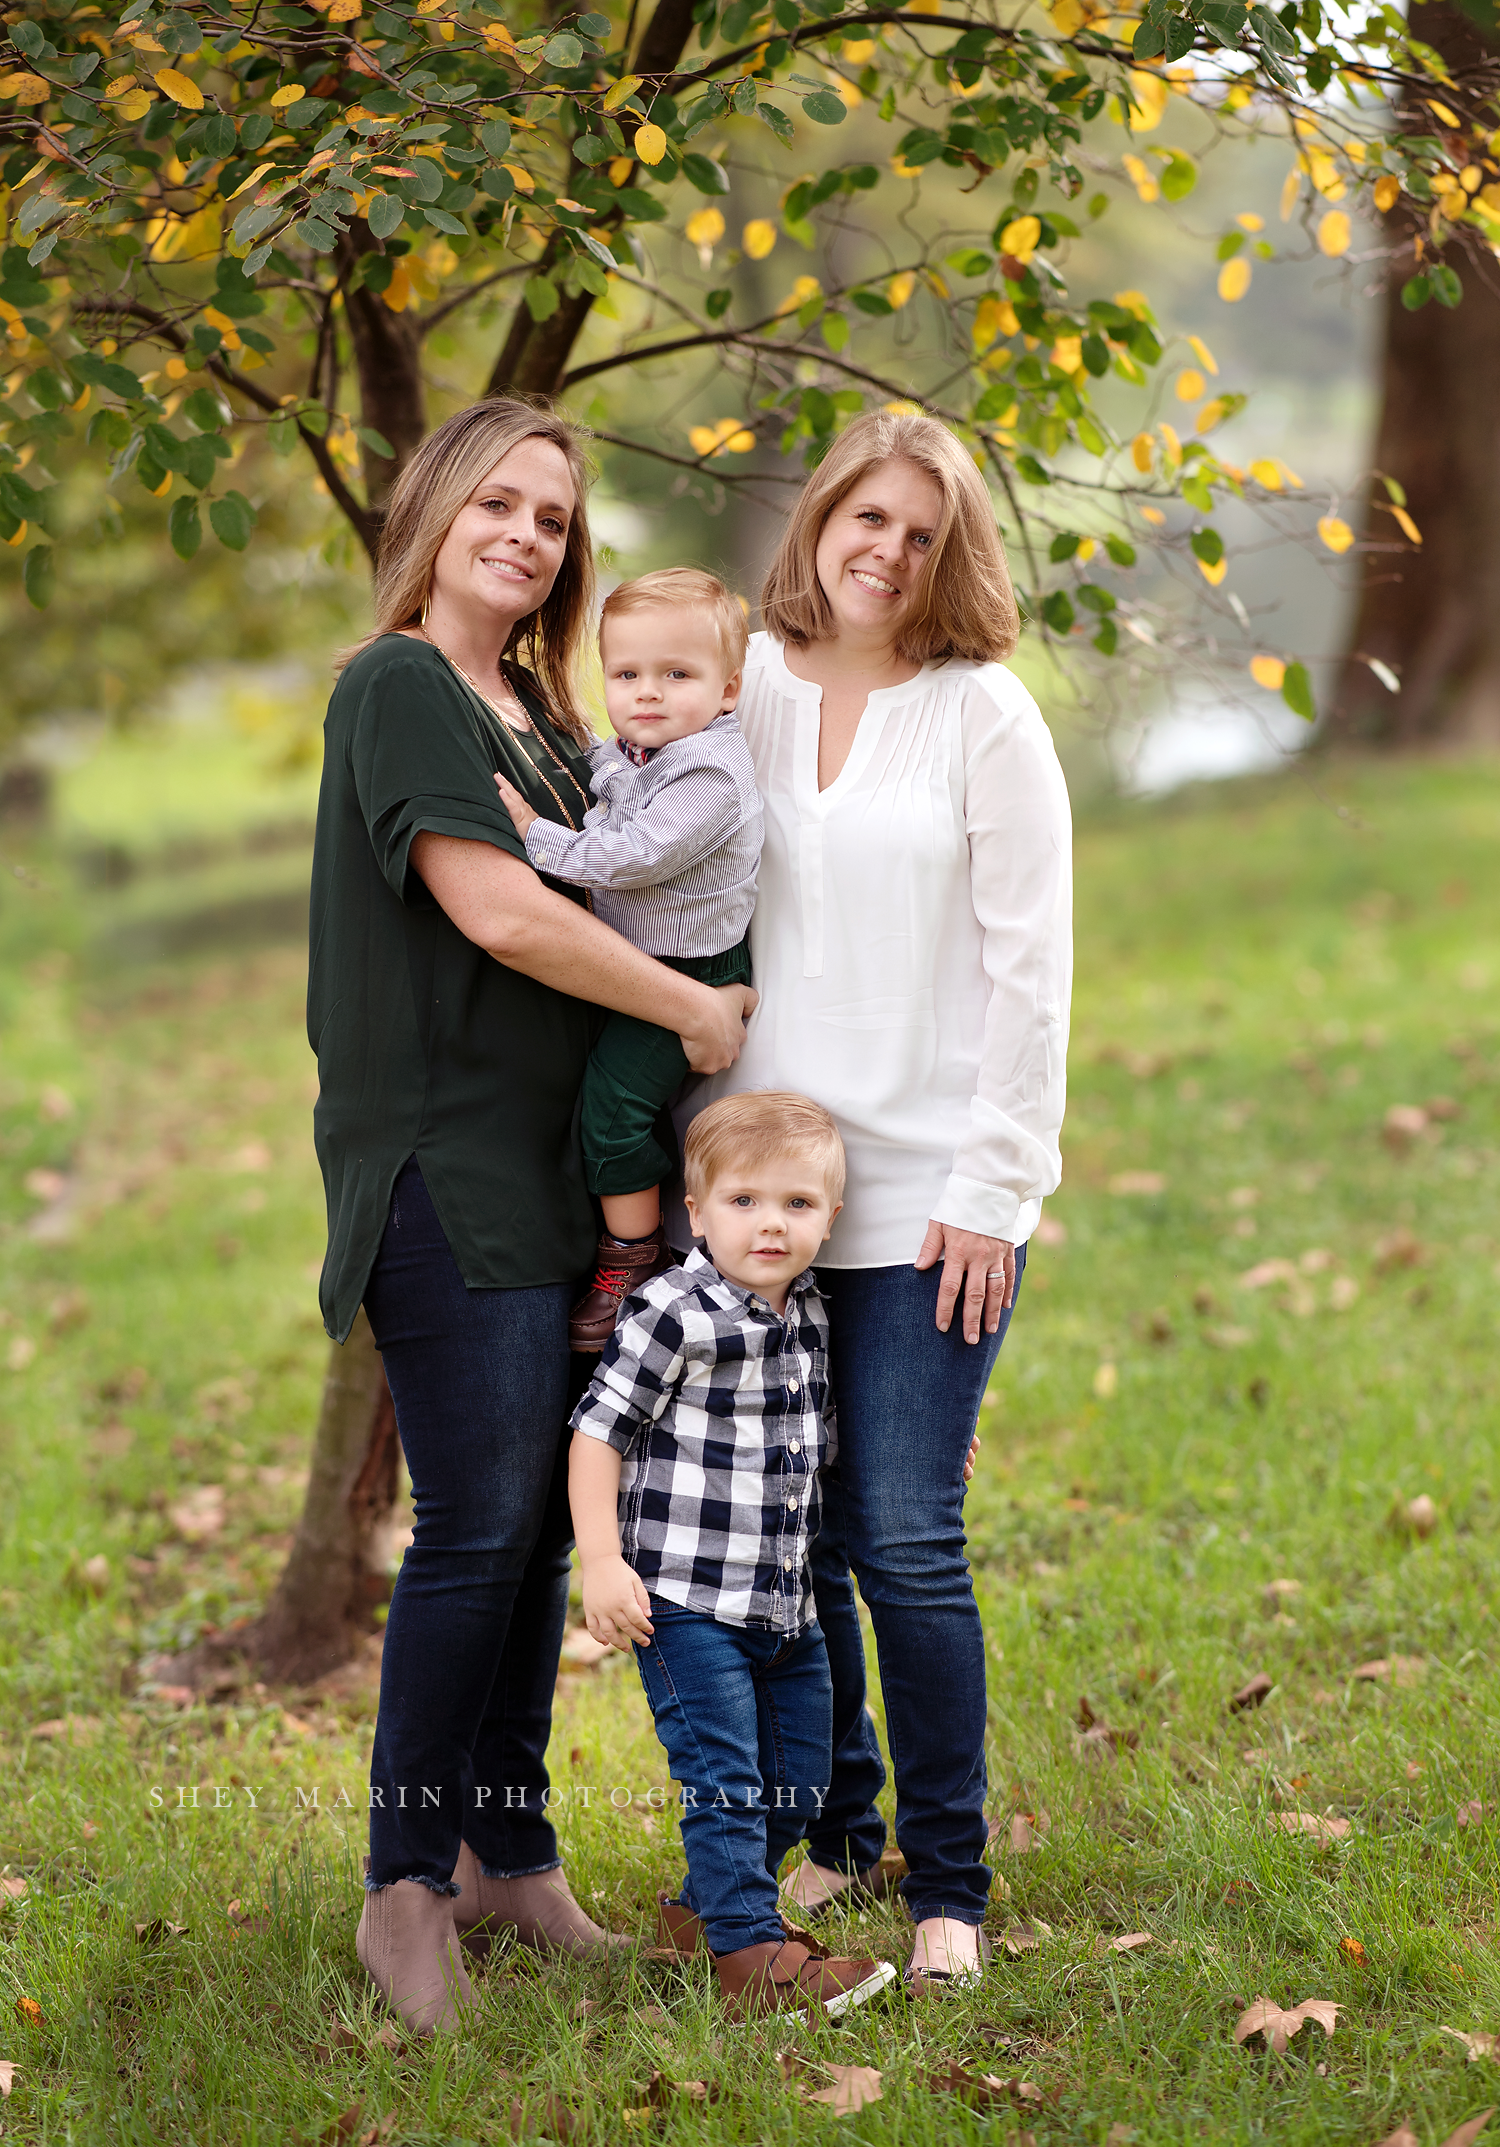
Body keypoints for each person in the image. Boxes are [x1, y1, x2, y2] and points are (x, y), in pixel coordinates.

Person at [307, 397, 755, 2035]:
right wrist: (696, 1018)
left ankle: (513, 1854)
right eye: (493, 502)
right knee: (479, 1530)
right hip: (445, 1167)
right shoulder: (402, 688)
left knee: (536, 1531)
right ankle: (404, 1884)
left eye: (552, 518)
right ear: (431, 511)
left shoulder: (555, 719)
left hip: (558, 1173)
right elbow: (498, 911)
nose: (521, 534)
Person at [677, 409, 1072, 1991]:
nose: (886, 551)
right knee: (795, 1544)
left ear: (949, 551)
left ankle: (948, 1883)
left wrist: (995, 1185)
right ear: (819, 513)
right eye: (867, 516)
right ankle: (836, 1834)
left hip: (928, 1199)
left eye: (921, 531)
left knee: (904, 1536)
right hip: (757, 1193)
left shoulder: (987, 715)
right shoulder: (746, 687)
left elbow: (1033, 973)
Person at [568, 1092, 896, 2020]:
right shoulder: (674, 1311)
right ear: (697, 1209)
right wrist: (601, 1562)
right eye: (744, 1202)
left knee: (800, 1784)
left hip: (784, 1609)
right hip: (684, 1604)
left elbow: (815, 1438)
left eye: (797, 1204)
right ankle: (752, 1959)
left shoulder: (812, 1315)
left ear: (830, 1218)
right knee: (727, 1782)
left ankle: (692, 1918)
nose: (769, 1224)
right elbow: (599, 1432)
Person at [494, 568, 763, 1353]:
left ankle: (633, 1264)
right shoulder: (654, 749)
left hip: (686, 973)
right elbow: (621, 777)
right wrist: (593, 756)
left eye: (677, 675)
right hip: (645, 960)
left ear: (728, 690)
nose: (647, 693)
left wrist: (532, 834)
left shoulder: (711, 772)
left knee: (613, 1116)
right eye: (627, 674)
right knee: (599, 1098)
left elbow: (635, 852)